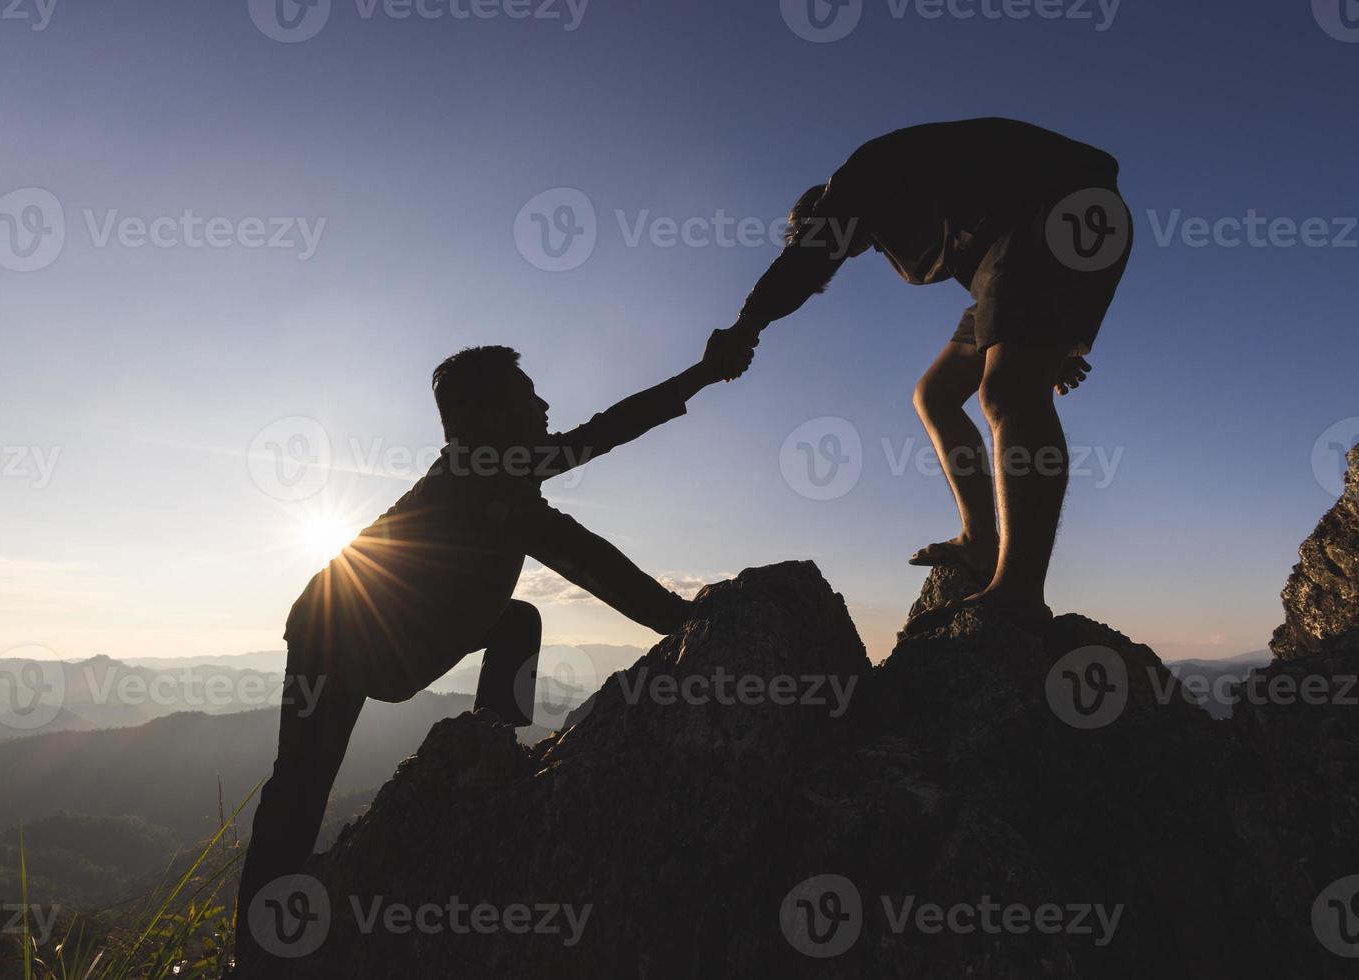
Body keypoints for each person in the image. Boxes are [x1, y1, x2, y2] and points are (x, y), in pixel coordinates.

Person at [234, 338, 750, 968]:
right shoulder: (483, 481)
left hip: (404, 634)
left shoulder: (498, 468)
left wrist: (698, 376)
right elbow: (582, 555)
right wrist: (683, 620)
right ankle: (257, 957)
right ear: (491, 417)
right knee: (299, 793)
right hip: (333, 639)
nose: (544, 405)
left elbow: (605, 432)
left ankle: (487, 753)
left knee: (516, 622)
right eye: (528, 396)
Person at [710, 117, 1131, 632]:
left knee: (1006, 392)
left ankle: (1018, 592)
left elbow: (808, 260)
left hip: (1056, 214)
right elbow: (1010, 293)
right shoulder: (908, 210)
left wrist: (746, 326)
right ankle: (980, 542)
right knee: (935, 394)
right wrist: (1052, 343)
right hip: (1031, 242)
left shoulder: (864, 178)